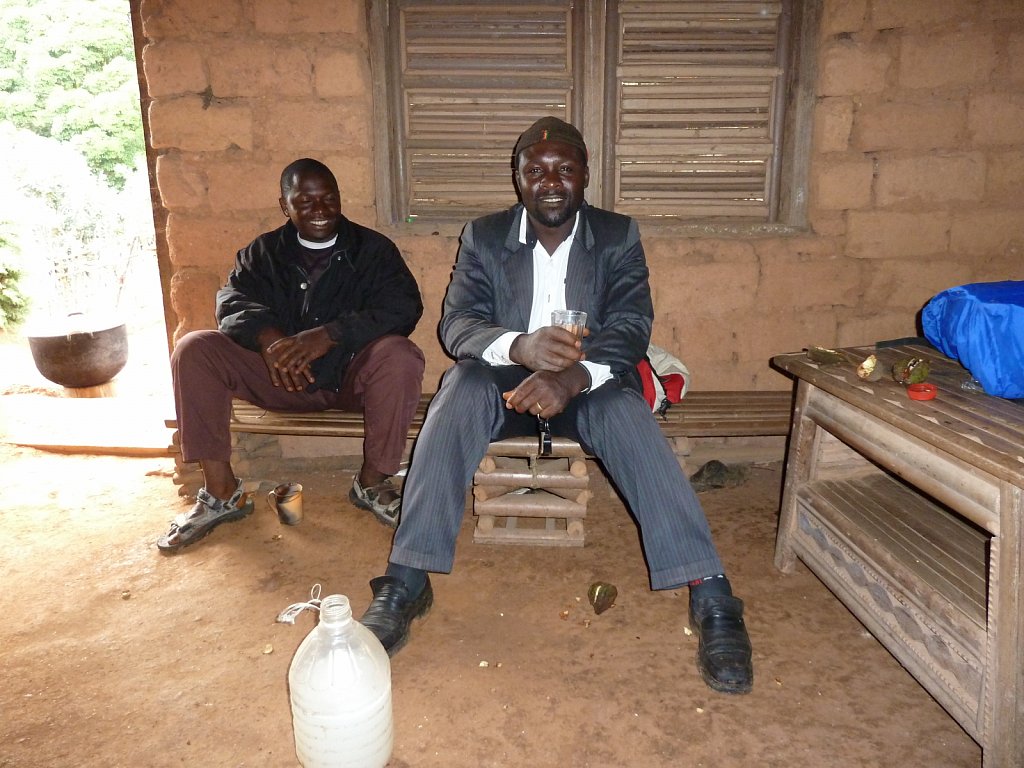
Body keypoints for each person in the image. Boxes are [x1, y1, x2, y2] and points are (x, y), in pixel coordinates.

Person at [356, 117, 754, 694]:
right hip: (501, 379)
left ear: (584, 174)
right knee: (458, 390)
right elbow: (458, 324)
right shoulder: (485, 235)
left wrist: (572, 379)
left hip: (588, 383)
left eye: (564, 170)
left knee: (628, 416)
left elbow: (630, 324)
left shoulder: (616, 235)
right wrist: (518, 345)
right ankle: (405, 580)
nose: (550, 182)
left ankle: (711, 592)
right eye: (535, 171)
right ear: (517, 178)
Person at [158, 158, 425, 552]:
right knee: (194, 348)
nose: (319, 210)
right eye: (305, 200)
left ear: (339, 199)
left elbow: (403, 307)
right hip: (277, 380)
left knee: (400, 355)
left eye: (328, 198)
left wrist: (331, 334)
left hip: (347, 382)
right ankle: (221, 492)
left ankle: (372, 483)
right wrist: (269, 341)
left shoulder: (373, 251)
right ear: (285, 205)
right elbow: (232, 303)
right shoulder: (262, 253)